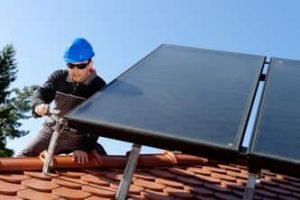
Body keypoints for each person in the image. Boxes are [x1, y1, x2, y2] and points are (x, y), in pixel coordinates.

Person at [19, 37, 107, 164]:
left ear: (90, 64)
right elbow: (41, 93)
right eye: (71, 65)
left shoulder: (98, 86)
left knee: (96, 164)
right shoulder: (58, 77)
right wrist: (38, 105)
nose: (75, 71)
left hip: (78, 137)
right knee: (21, 159)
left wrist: (83, 147)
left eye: (81, 66)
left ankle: (94, 149)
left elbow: (98, 122)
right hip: (51, 130)